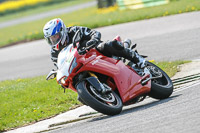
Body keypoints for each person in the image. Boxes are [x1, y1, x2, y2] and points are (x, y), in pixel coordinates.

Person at [43, 18, 146, 69]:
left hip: (94, 51)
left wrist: (93, 40)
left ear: (62, 31)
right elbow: (60, 66)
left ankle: (137, 58)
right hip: (81, 63)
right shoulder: (54, 53)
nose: (53, 40)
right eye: (50, 39)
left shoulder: (74, 30)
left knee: (107, 45)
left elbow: (94, 32)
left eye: (55, 36)